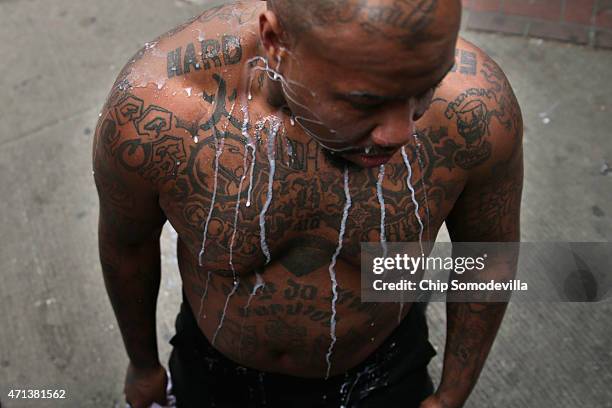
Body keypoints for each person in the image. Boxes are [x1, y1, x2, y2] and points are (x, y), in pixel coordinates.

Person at [93, 0, 523, 407]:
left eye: (427, 87)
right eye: (364, 101)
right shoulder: (156, 114)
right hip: (214, 373)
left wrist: (451, 396)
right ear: (276, 45)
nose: (399, 133)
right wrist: (144, 365)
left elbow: (487, 258)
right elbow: (127, 247)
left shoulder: (477, 115)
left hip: (386, 369)